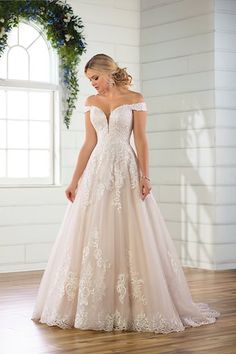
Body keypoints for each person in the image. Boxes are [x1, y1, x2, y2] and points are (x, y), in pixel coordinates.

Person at [31, 53, 220, 333]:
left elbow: (141, 140)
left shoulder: (134, 98)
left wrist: (145, 175)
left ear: (108, 72)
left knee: (131, 233)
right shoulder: (91, 102)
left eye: (95, 77)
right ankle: (95, 302)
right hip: (97, 172)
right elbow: (88, 144)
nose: (92, 84)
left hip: (126, 169)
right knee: (94, 233)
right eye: (89, 80)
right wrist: (74, 181)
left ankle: (134, 303)